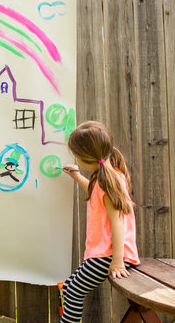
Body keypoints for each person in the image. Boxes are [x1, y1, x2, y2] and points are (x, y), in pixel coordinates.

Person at [60, 121, 140, 323]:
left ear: (87, 158)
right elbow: (97, 195)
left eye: (77, 156)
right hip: (105, 255)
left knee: (73, 292)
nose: (76, 159)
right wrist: (77, 176)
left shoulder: (107, 181)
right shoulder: (106, 176)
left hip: (108, 256)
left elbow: (117, 223)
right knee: (69, 287)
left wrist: (117, 261)